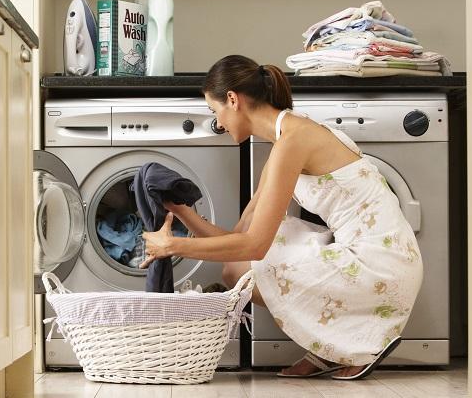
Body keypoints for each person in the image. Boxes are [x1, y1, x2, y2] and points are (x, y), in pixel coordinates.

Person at [140, 55, 423, 380]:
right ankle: (334, 347)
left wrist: (172, 247)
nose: (218, 123)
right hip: (377, 254)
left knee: (242, 267)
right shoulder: (286, 140)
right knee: (237, 266)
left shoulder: (293, 141)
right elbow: (239, 237)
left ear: (232, 99)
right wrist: (181, 211)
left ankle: (356, 347)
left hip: (383, 265)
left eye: (214, 110)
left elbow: (254, 247)